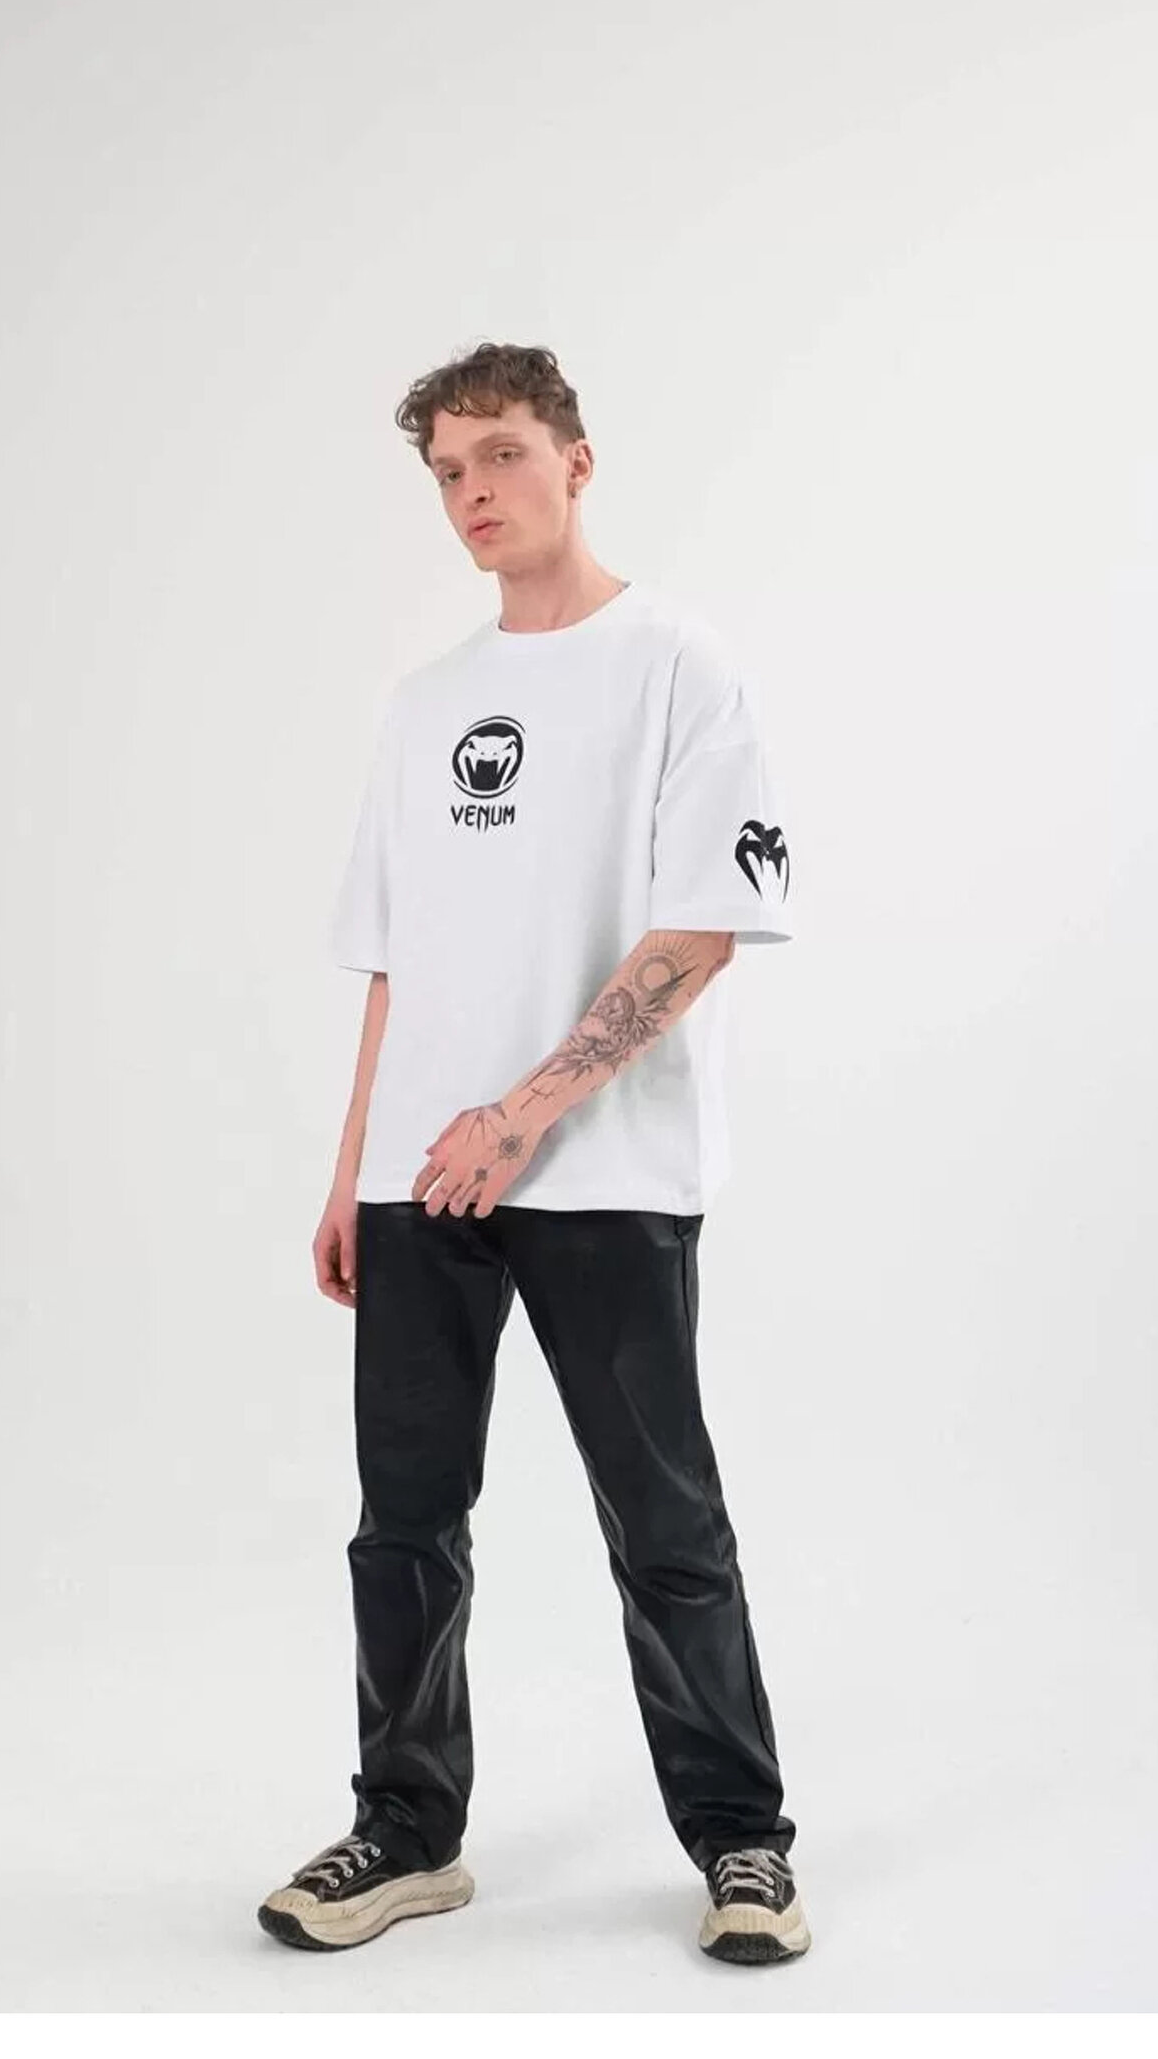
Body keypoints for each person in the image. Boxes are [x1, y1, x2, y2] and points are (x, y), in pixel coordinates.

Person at [257, 342, 808, 1967]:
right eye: (446, 472)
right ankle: (406, 1833)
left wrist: (524, 1113)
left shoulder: (677, 665)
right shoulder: (425, 705)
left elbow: (700, 930)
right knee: (403, 1527)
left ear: (576, 458)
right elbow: (393, 961)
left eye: (499, 454)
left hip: (604, 1175)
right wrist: (354, 1170)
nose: (472, 493)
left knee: (666, 1528)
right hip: (420, 1183)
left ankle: (744, 1842)